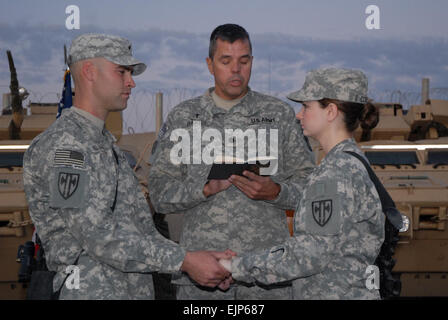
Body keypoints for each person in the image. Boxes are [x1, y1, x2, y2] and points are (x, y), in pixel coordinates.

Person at [22, 33, 232, 300]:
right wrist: (185, 260)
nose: (131, 82)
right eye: (121, 71)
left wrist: (198, 263)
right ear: (89, 72)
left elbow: (142, 232)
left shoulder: (107, 147)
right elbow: (97, 236)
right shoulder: (66, 147)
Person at [148, 24, 315, 299]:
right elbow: (159, 193)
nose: (236, 70)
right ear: (210, 64)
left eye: (244, 60)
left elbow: (309, 188)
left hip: (266, 278)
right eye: (226, 61)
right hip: (203, 278)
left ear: (252, 62)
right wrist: (203, 190)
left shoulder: (278, 115)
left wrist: (276, 192)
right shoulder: (184, 118)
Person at [224, 67, 385, 299]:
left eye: (306, 106)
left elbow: (308, 255)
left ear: (330, 111)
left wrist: (235, 266)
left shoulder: (336, 173)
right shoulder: (348, 162)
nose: (299, 115)